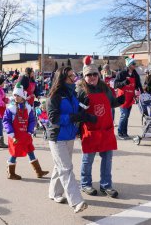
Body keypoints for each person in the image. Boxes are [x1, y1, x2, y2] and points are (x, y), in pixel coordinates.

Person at [46, 66, 93, 213]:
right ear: (63, 78)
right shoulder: (54, 96)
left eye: (74, 75)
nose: (75, 78)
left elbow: (77, 109)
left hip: (70, 136)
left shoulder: (72, 93)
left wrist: (84, 111)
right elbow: (53, 118)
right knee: (66, 168)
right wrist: (74, 117)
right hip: (57, 137)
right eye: (71, 76)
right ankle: (76, 201)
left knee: (59, 166)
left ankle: (54, 193)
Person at [77, 56, 125, 198]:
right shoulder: (80, 91)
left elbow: (111, 103)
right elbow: (76, 112)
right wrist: (82, 108)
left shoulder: (105, 88)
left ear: (98, 75)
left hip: (106, 130)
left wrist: (119, 101)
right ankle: (85, 184)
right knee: (88, 159)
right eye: (88, 75)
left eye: (94, 74)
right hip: (90, 131)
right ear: (84, 76)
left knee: (107, 159)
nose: (92, 77)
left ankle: (106, 185)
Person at [3, 83, 49, 180]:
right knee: (15, 153)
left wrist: (30, 131)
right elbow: (6, 121)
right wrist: (11, 133)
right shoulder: (10, 108)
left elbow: (32, 120)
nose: (16, 97)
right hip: (15, 135)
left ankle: (38, 171)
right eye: (15, 95)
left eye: (18, 95)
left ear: (23, 96)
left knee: (30, 150)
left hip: (26, 135)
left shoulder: (28, 108)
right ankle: (10, 173)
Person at [114, 56, 143, 139]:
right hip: (122, 97)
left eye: (135, 64)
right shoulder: (122, 73)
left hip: (130, 97)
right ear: (129, 65)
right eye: (133, 64)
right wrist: (124, 82)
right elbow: (115, 85)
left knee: (127, 116)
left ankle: (125, 133)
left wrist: (142, 92)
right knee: (124, 115)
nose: (135, 65)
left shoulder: (135, 74)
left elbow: (138, 84)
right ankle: (120, 132)